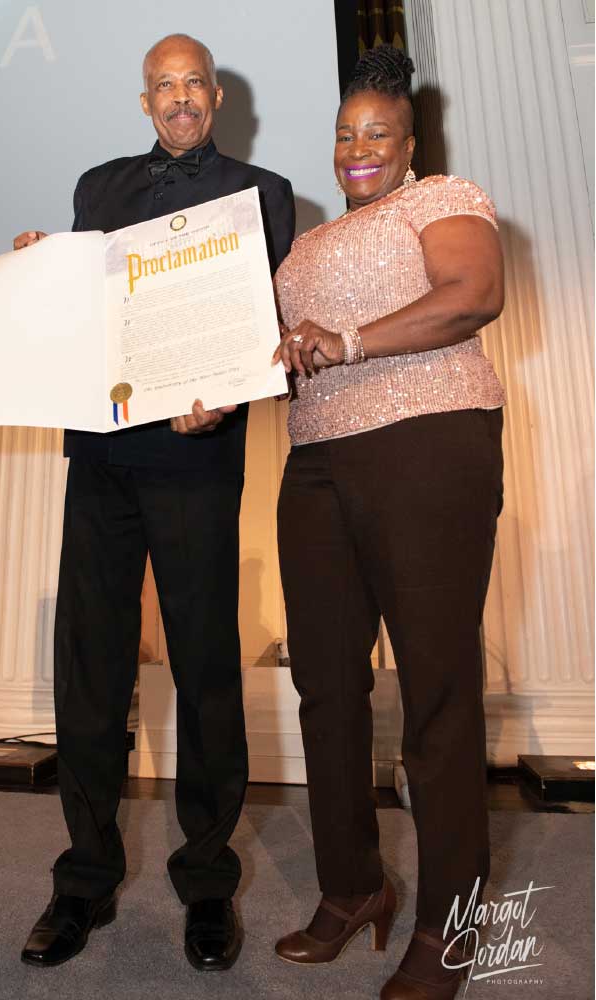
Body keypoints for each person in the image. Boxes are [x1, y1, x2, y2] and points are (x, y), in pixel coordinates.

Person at [13, 33, 295, 971]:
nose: (179, 99)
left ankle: (208, 885)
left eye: (192, 84)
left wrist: (226, 389)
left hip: (197, 462)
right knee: (90, 673)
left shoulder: (263, 194)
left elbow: (263, 325)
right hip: (100, 459)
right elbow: (88, 308)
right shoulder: (97, 187)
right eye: (162, 86)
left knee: (208, 673)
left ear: (217, 97)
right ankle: (81, 884)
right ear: (145, 102)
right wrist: (36, 267)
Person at [271, 45, 505, 1000]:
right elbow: (288, 352)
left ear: (409, 145)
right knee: (325, 689)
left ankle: (453, 928)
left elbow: (471, 296)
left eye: (376, 134)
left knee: (435, 695)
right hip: (316, 459)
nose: (356, 150)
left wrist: (351, 340)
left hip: (428, 442)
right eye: (343, 135)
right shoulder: (307, 243)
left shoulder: (440, 199)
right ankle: (352, 889)